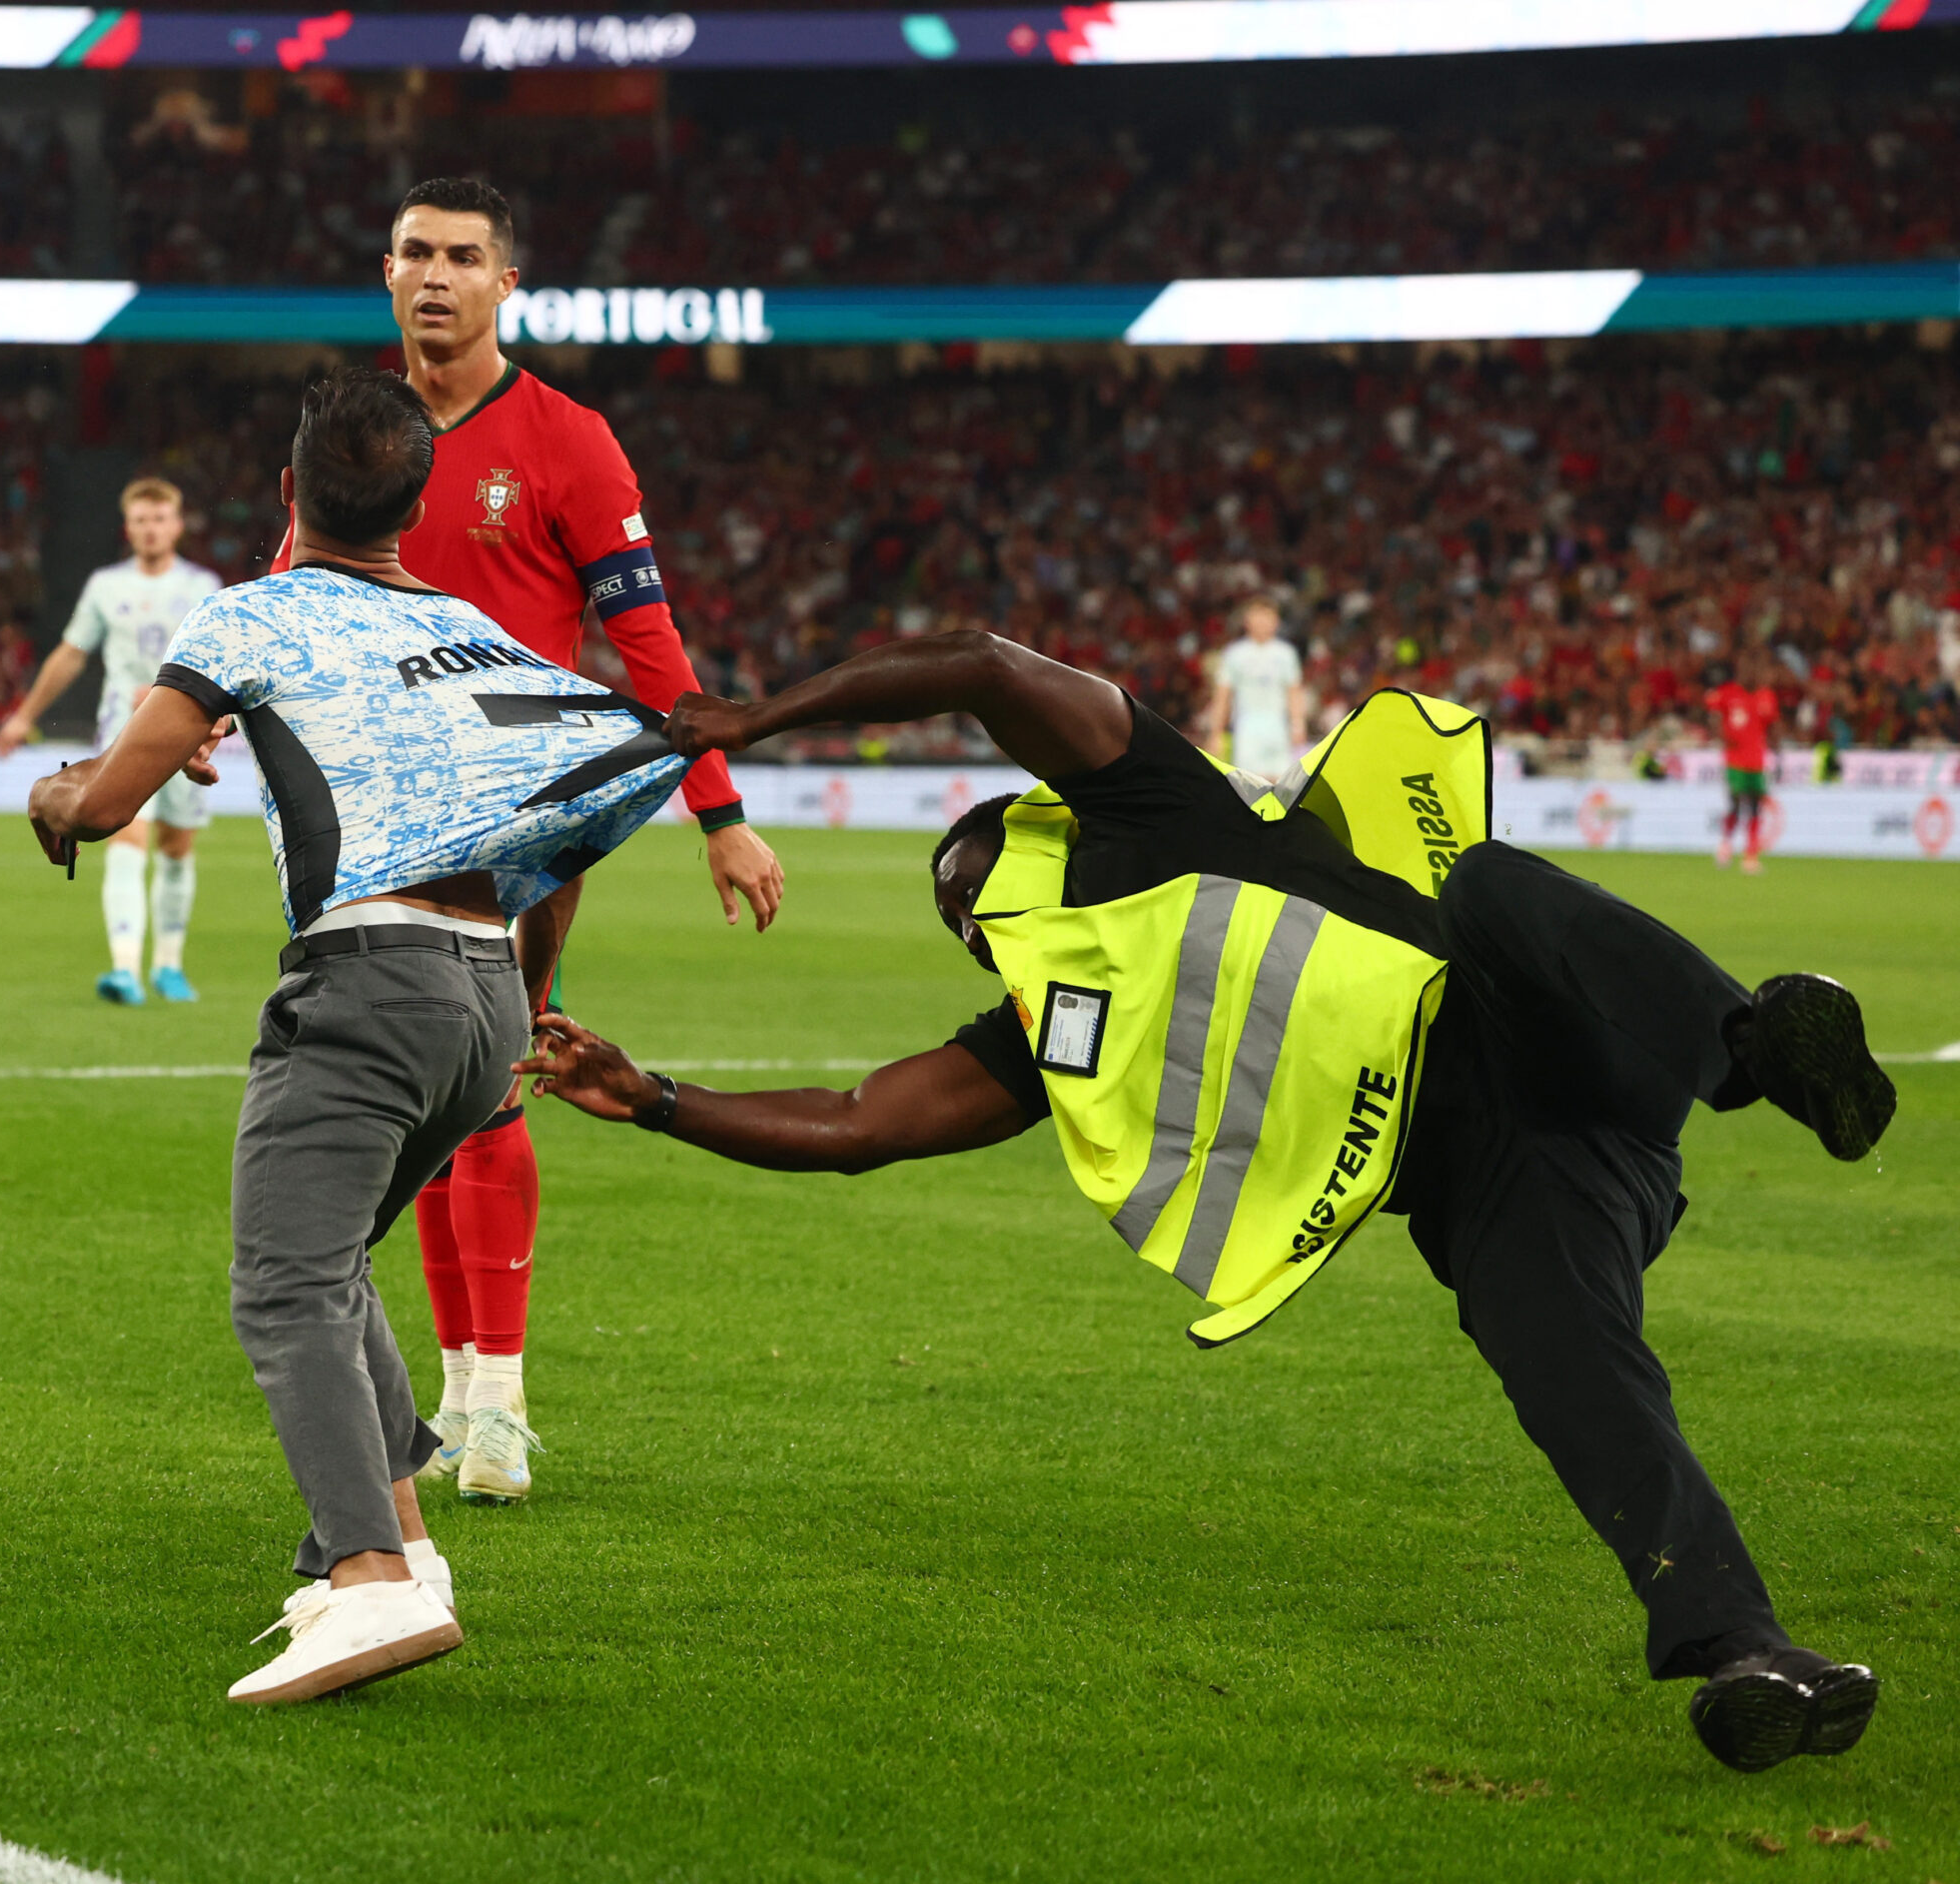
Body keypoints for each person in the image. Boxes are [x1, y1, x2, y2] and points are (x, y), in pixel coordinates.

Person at [516, 628, 1898, 1773]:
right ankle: (1749, 1653)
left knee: (1487, 885)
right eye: (959, 913)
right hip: (1496, 1186)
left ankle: (1755, 1051)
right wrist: (655, 1101)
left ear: (1035, 814)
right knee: (1576, 1380)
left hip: (1532, 1030)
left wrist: (761, 715)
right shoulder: (1048, 1027)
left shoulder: (1155, 805)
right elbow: (859, 1124)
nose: (966, 901)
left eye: (974, 869)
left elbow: (979, 666)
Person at [26, 368, 689, 1705]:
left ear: (287, 493)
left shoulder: (253, 610)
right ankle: (405, 1543)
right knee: (335, 1266)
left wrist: (53, 790)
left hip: (365, 984)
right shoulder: (480, 629)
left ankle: (370, 1581)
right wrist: (531, 998)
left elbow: (105, 804)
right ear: (420, 499)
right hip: (487, 991)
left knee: (281, 1282)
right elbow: (578, 822)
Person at [271, 176, 787, 1506]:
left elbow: (651, 645)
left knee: (490, 1076)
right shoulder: (359, 434)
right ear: (384, 274)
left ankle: (494, 1400)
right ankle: (455, 1389)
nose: (435, 276)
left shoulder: (567, 441)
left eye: (463, 257)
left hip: (517, 819)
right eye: (414, 255)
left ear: (508, 285)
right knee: (420, 1100)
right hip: (374, 815)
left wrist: (718, 814)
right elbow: (296, 585)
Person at [0, 477, 223, 1004]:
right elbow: (71, 652)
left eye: (159, 518)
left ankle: (168, 964)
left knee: (175, 845)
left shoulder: (202, 585)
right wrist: (24, 715)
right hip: (121, 725)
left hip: (185, 728)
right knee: (126, 837)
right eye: (141, 521)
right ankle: (125, 968)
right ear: (129, 528)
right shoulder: (106, 585)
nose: (150, 529)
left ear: (177, 524)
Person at [1205, 596, 1307, 780]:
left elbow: (1294, 692)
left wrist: (1298, 724)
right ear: (1247, 620)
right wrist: (1216, 733)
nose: (1263, 622)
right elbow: (1223, 696)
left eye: (1268, 617)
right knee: (1248, 783)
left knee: (1281, 782)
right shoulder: (1234, 654)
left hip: (1277, 727)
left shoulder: (1286, 654)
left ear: (1276, 621)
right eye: (1258, 616)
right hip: (1247, 727)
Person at [1706, 653, 1782, 874]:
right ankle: (1726, 845)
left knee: (1756, 808)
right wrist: (1720, 734)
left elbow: (1774, 725)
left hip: (1757, 761)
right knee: (1737, 804)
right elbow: (1712, 713)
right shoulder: (1728, 693)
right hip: (1735, 761)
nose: (1752, 674)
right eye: (1748, 669)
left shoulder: (1765, 696)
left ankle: (1750, 855)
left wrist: (1778, 755)